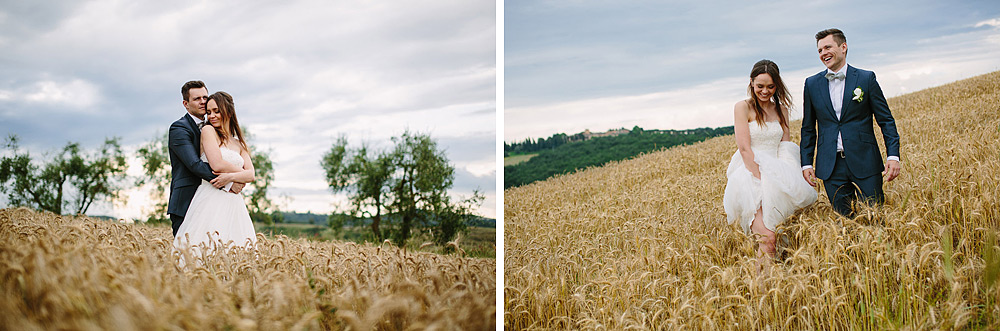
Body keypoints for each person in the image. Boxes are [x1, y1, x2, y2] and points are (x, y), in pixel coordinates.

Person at [724, 59, 817, 268]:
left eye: (770, 86)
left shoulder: (781, 110)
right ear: (751, 83)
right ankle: (762, 290)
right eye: (760, 86)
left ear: (777, 85)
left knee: (779, 238)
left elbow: (786, 147)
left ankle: (769, 288)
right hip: (750, 174)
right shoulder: (742, 107)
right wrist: (761, 178)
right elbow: (745, 148)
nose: (765, 91)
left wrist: (792, 178)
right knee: (767, 237)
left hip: (777, 173)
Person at [800, 28, 901, 218]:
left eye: (828, 47)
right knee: (843, 224)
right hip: (831, 166)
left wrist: (893, 156)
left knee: (876, 219)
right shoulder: (812, 84)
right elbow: (808, 128)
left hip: (865, 161)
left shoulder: (866, 78)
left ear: (843, 47)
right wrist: (806, 164)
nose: (823, 53)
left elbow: (886, 120)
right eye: (820, 50)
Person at [174, 91, 257, 252]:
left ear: (229, 111)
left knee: (235, 249)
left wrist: (231, 177)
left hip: (234, 203)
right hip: (211, 197)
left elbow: (252, 174)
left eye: (216, 111)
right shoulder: (208, 131)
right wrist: (240, 175)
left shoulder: (238, 142)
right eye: (209, 112)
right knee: (204, 249)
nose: (212, 116)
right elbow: (217, 164)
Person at [167, 81, 245, 236]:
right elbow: (194, 164)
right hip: (187, 200)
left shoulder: (216, 128)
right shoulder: (179, 128)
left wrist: (236, 176)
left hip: (215, 201)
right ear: (186, 104)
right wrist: (229, 182)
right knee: (188, 253)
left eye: (205, 97)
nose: (203, 101)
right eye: (197, 99)